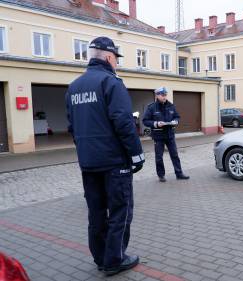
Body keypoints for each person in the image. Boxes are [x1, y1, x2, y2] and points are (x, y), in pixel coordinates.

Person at [65, 37, 144, 276]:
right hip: (114, 162)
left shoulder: (74, 86)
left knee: (96, 212)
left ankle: (100, 257)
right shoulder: (111, 82)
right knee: (120, 211)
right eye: (116, 59)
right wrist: (136, 154)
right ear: (109, 57)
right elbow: (123, 122)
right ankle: (114, 260)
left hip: (88, 162)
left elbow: (72, 127)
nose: (117, 64)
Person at [142, 87, 190, 182]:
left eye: (165, 95)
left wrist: (175, 121)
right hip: (158, 136)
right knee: (159, 157)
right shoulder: (151, 107)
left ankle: (179, 173)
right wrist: (156, 123)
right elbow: (145, 121)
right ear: (157, 95)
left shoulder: (171, 105)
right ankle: (161, 175)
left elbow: (177, 116)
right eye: (162, 95)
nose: (164, 97)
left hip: (170, 135)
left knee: (175, 155)